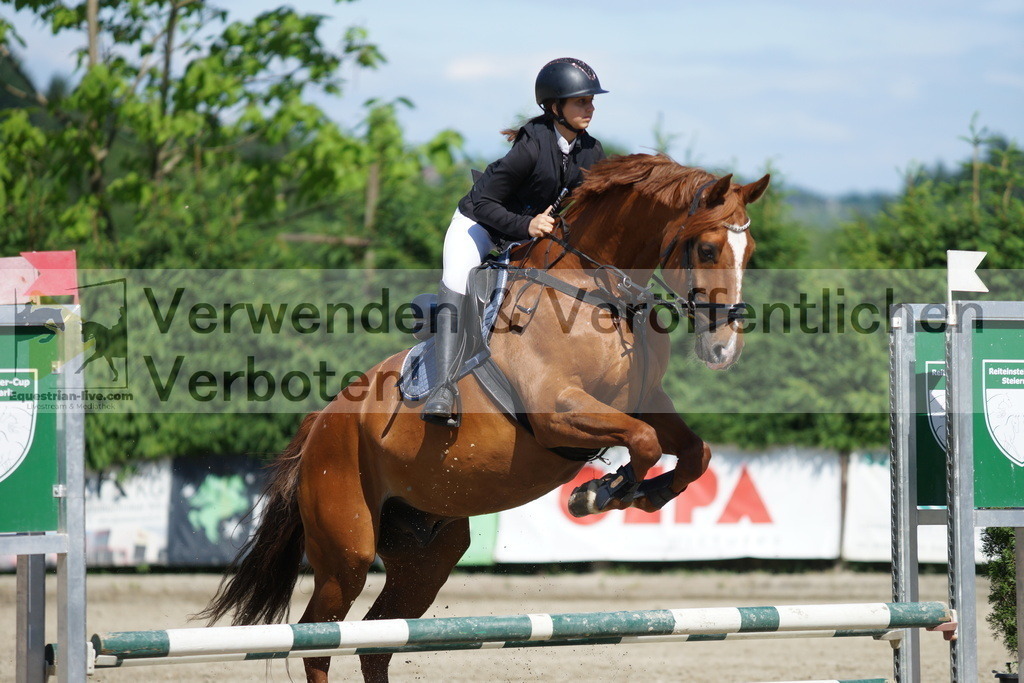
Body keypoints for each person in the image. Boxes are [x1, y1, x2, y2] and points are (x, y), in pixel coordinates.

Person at [422, 57, 609, 426]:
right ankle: (441, 389)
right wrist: (525, 225)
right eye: (581, 101)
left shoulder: (591, 151)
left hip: (531, 236)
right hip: (480, 225)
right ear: (555, 107)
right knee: (459, 281)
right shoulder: (531, 144)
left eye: (591, 100)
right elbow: (481, 202)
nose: (590, 107)